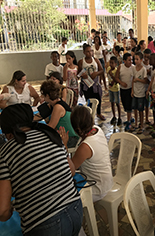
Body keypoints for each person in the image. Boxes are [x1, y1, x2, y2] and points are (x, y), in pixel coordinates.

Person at [0, 103, 82, 236]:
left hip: (45, 224)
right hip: (76, 209)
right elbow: (71, 171)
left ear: (8, 133)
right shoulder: (51, 135)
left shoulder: (5, 152)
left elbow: (2, 211)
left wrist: (9, 211)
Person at [59, 106, 113, 202]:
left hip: (97, 188)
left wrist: (65, 146)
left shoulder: (85, 147)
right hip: (106, 181)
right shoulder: (97, 129)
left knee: (62, 193)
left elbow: (70, 170)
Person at [40, 81, 79, 148]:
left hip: (71, 138)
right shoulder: (54, 104)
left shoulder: (58, 107)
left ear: (47, 95)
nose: (41, 96)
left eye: (43, 94)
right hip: (64, 136)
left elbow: (50, 127)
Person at [78, 43, 105, 120]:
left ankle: (98, 113)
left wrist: (96, 73)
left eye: (91, 51)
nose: (90, 53)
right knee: (89, 100)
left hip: (95, 84)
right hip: (86, 84)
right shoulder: (81, 62)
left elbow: (102, 70)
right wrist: (83, 75)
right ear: (84, 52)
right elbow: (78, 73)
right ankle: (89, 115)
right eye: (88, 51)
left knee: (98, 99)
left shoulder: (96, 60)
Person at [115, 53, 134, 131]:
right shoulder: (120, 67)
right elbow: (116, 77)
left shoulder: (133, 68)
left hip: (130, 89)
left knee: (129, 106)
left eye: (131, 60)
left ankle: (129, 121)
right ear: (124, 61)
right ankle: (130, 118)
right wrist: (121, 82)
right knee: (125, 105)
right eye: (129, 60)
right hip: (123, 89)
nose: (131, 61)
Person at [131, 52, 148, 134]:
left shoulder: (143, 69)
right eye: (134, 59)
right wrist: (132, 90)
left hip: (141, 93)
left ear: (141, 60)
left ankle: (141, 125)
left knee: (141, 110)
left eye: (137, 59)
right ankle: (136, 123)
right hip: (135, 91)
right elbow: (133, 79)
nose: (135, 61)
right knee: (135, 108)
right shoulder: (133, 68)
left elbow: (145, 81)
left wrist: (138, 80)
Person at [107, 56, 122, 125]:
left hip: (116, 89)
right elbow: (108, 77)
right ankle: (114, 116)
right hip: (110, 89)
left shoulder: (116, 70)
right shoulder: (108, 69)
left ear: (116, 64)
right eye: (110, 63)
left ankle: (119, 117)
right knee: (112, 103)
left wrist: (112, 75)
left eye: (112, 63)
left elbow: (116, 80)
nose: (111, 64)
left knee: (117, 103)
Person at [142, 48, 152, 124]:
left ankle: (147, 118)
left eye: (148, 57)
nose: (146, 58)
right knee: (141, 104)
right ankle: (142, 118)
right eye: (144, 56)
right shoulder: (141, 65)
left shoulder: (151, 66)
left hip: (148, 87)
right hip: (141, 87)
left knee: (147, 104)